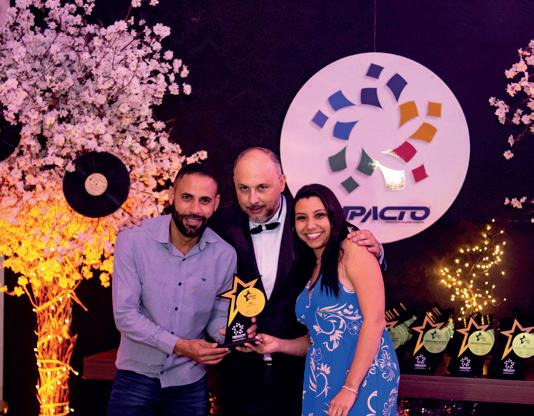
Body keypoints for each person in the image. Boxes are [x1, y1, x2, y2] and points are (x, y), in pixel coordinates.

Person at [210, 147, 384, 416]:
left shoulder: (308, 218)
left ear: (282, 182)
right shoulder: (220, 224)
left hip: (302, 374)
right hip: (238, 377)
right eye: (243, 189)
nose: (252, 199)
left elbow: (352, 248)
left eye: (262, 187)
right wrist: (217, 329)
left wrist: (378, 252)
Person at [108, 163, 253, 416]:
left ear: (216, 204)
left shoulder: (225, 255)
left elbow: (217, 316)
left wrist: (233, 333)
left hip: (189, 384)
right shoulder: (133, 240)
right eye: (187, 197)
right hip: (135, 379)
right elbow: (125, 316)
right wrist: (181, 346)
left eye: (204, 200)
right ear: (171, 196)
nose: (195, 209)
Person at [247, 183, 399, 416]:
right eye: (301, 218)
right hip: (322, 380)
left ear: (334, 217)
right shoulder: (312, 266)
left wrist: (350, 388)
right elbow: (319, 339)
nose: (310, 225)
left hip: (363, 379)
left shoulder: (353, 250)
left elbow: (375, 321)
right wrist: (278, 344)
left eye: (319, 215)